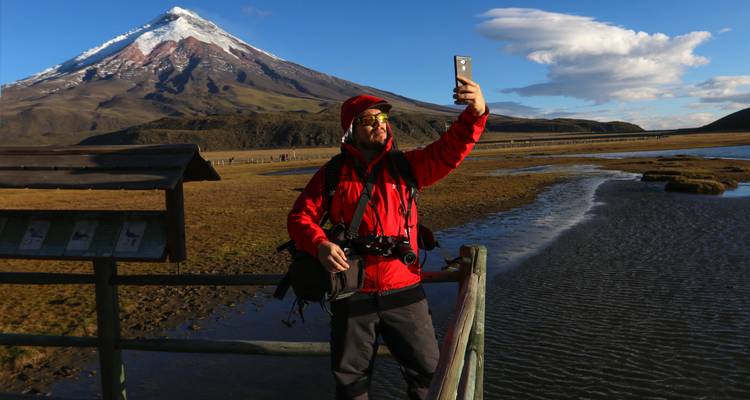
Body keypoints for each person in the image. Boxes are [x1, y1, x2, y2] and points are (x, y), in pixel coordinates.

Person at [287, 76, 487, 400]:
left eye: (382, 117)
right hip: (351, 294)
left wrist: (475, 113)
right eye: (368, 119)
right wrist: (319, 244)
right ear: (350, 129)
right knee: (351, 385)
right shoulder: (333, 173)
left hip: (405, 291)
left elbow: (450, 150)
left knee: (429, 376)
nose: (379, 124)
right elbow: (299, 217)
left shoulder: (407, 167)